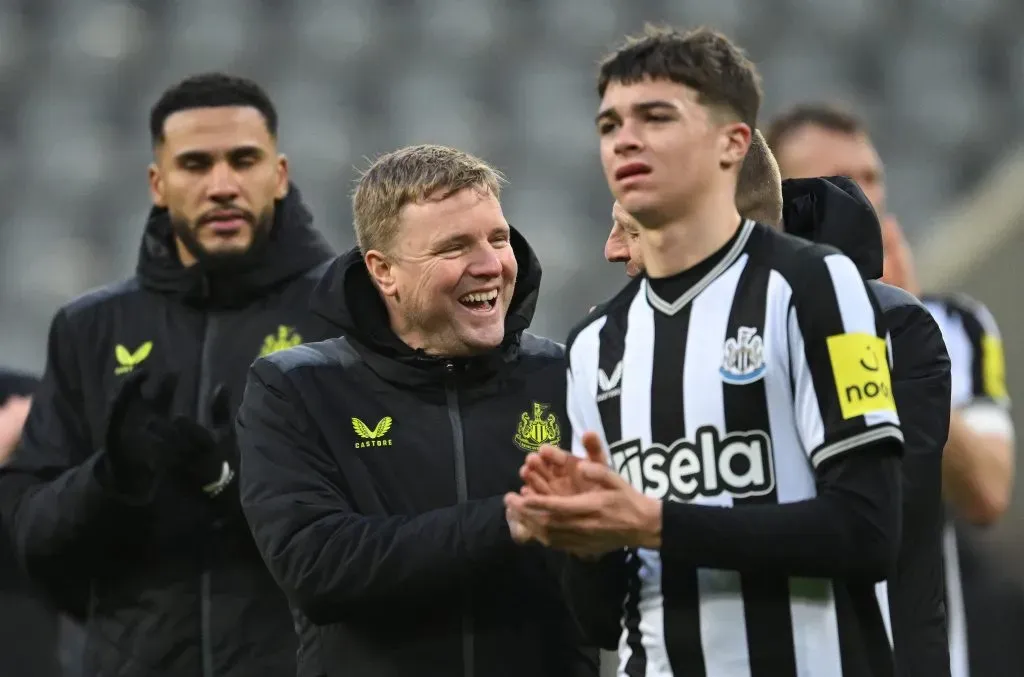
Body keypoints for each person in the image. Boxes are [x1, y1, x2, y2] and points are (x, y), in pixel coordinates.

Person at [507, 26, 904, 676]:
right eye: (610, 124)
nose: (625, 138)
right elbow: (603, 619)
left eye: (656, 117)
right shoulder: (595, 345)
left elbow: (868, 530)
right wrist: (584, 542)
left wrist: (653, 519)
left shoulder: (814, 285)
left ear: (732, 142)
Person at [0, 72, 339, 677]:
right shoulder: (89, 327)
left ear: (279, 174)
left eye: (243, 160)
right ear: (158, 184)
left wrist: (232, 481)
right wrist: (111, 479)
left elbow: (372, 517)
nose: (222, 185)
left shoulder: (343, 315)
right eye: (195, 164)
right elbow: (31, 533)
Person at [235, 144, 599, 677]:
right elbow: (318, 566)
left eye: (498, 238)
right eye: (455, 247)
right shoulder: (296, 389)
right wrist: (512, 520)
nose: (490, 265)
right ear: (384, 271)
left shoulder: (566, 375)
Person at [605, 129, 953, 676]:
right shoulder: (616, 352)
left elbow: (874, 521)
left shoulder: (885, 325)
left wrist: (654, 521)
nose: (612, 251)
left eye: (630, 229)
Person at [767, 102, 1018, 677]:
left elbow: (987, 493)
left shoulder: (956, 325)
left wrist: (901, 344)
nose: (869, 201)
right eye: (844, 183)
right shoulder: (749, 326)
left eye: (874, 178)